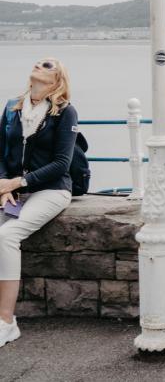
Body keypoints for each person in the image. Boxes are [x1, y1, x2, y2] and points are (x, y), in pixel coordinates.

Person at [0, 58, 78, 348]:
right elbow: (1, 152)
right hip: (13, 190)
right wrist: (3, 185)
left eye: (47, 64)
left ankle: (6, 322)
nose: (38, 65)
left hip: (51, 190)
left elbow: (61, 164)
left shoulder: (64, 113)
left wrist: (17, 183)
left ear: (57, 79)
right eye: (37, 62)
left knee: (7, 235)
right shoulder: (12, 107)